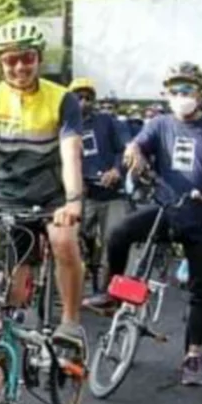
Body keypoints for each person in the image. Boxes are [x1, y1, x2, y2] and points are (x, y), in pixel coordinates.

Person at [86, 62, 202, 387]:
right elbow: (138, 145)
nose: (180, 96)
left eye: (186, 89)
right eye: (174, 90)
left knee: (198, 291)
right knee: (119, 234)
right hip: (166, 210)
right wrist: (135, 153)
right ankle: (114, 293)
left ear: (200, 93)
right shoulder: (160, 124)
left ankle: (192, 355)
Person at [0, 19, 88, 362]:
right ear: (0, 63)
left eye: (27, 58)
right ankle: (8, 353)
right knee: (16, 280)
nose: (20, 66)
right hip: (11, 195)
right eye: (11, 60)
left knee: (64, 243)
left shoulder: (62, 99)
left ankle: (70, 321)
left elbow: (70, 154)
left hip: (53, 194)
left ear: (38, 58)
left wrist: (73, 201)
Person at [69, 77, 131, 297]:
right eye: (78, 97)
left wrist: (116, 171)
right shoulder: (64, 125)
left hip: (111, 193)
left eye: (88, 98)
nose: (83, 102)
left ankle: (107, 291)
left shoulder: (107, 121)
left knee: (113, 239)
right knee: (76, 237)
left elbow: (124, 150)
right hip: (81, 194)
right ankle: (82, 274)